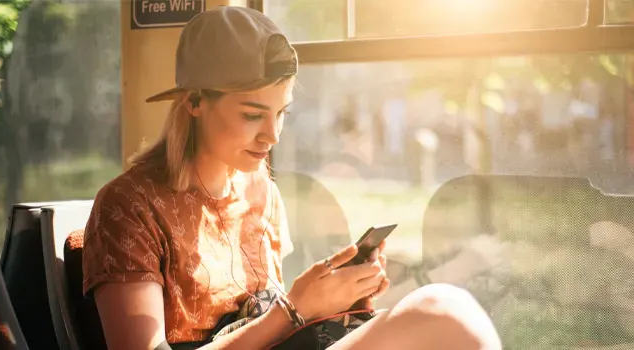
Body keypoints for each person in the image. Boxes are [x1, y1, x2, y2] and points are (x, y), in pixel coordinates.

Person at [82, 6, 502, 350]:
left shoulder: (260, 190)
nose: (273, 134)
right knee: (442, 312)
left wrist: (334, 299)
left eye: (281, 113)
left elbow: (272, 328)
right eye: (252, 115)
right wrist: (294, 308)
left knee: (444, 315)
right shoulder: (130, 206)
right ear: (194, 102)